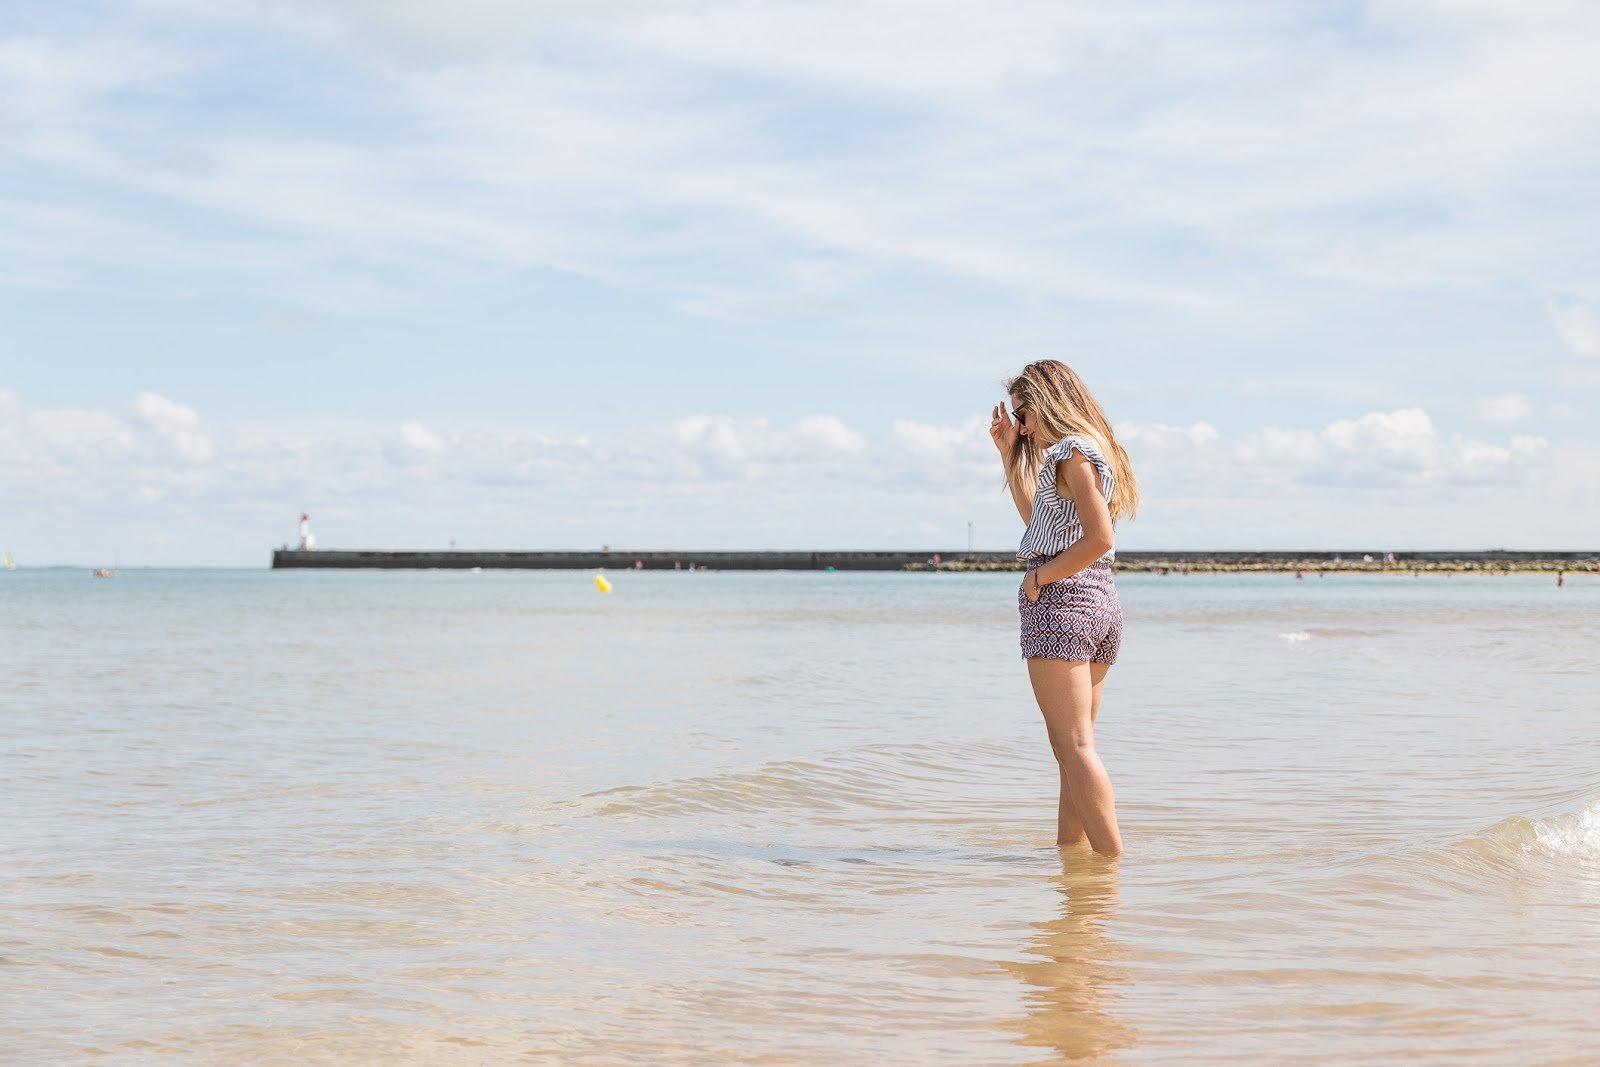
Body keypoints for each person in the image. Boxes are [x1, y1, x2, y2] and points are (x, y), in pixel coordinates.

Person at [990, 360, 1139, 856]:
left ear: (1049, 402)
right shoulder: (1094, 453)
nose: (1023, 426)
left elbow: (1100, 538)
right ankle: (1075, 863)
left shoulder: (1071, 453)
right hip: (1099, 603)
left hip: (1064, 604)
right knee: (1073, 751)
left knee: (1073, 748)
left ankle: (1112, 864)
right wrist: (1011, 455)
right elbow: (1044, 526)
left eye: (1024, 415)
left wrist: (1038, 578)